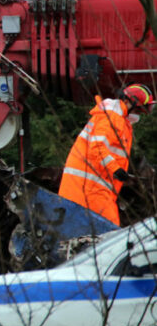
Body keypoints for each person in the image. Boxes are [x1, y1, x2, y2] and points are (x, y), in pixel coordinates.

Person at [58, 84, 154, 226]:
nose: (139, 114)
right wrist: (116, 169)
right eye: (139, 109)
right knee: (109, 232)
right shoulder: (112, 118)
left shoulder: (117, 119)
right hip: (89, 188)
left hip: (92, 186)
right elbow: (96, 148)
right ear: (128, 102)